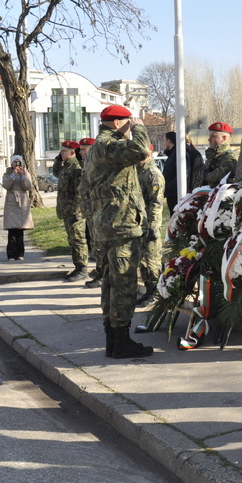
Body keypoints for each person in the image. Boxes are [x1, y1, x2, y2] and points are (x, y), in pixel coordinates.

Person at [84, 105, 153, 358]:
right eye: (127, 122)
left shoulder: (97, 148)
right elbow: (141, 149)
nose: (131, 125)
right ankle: (121, 342)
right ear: (116, 124)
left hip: (107, 224)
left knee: (111, 284)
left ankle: (113, 341)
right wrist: (140, 127)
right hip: (121, 225)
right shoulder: (108, 145)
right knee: (123, 284)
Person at [55, 140, 89, 281]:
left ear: (72, 153)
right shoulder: (66, 167)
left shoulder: (76, 168)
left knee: (78, 239)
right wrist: (58, 159)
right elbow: (56, 172)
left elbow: (79, 192)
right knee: (72, 240)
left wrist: (77, 211)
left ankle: (83, 268)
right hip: (66, 210)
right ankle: (77, 266)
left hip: (75, 212)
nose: (61, 153)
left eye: (64, 151)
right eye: (61, 151)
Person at [138, 152, 166, 306]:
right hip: (139, 223)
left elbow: (156, 203)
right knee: (143, 260)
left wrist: (153, 226)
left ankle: (155, 293)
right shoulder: (138, 171)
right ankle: (149, 289)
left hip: (149, 224)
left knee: (152, 259)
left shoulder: (153, 174)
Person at [77, 137, 103, 288]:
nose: (80, 152)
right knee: (94, 243)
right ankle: (100, 272)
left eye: (83, 149)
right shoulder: (87, 164)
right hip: (90, 210)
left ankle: (102, 274)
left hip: (97, 210)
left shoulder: (97, 165)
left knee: (99, 244)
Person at [2, 155, 34, 261]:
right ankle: (11, 255)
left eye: (18, 162)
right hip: (11, 202)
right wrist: (13, 175)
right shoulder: (7, 174)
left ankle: (20, 254)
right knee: (12, 231)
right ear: (11, 164)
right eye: (14, 162)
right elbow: (6, 186)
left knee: (20, 231)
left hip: (22, 202)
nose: (17, 164)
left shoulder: (25, 173)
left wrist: (22, 176)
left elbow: (28, 186)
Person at [162, 131, 204, 207]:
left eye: (164, 141)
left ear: (169, 141)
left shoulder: (181, 154)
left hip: (177, 193)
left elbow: (191, 174)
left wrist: (168, 186)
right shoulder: (172, 154)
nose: (163, 144)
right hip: (172, 193)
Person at [199, 122, 239, 186]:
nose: (209, 139)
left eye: (213, 136)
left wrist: (205, 174)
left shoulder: (230, 157)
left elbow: (213, 178)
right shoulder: (213, 157)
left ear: (224, 138)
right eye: (209, 136)